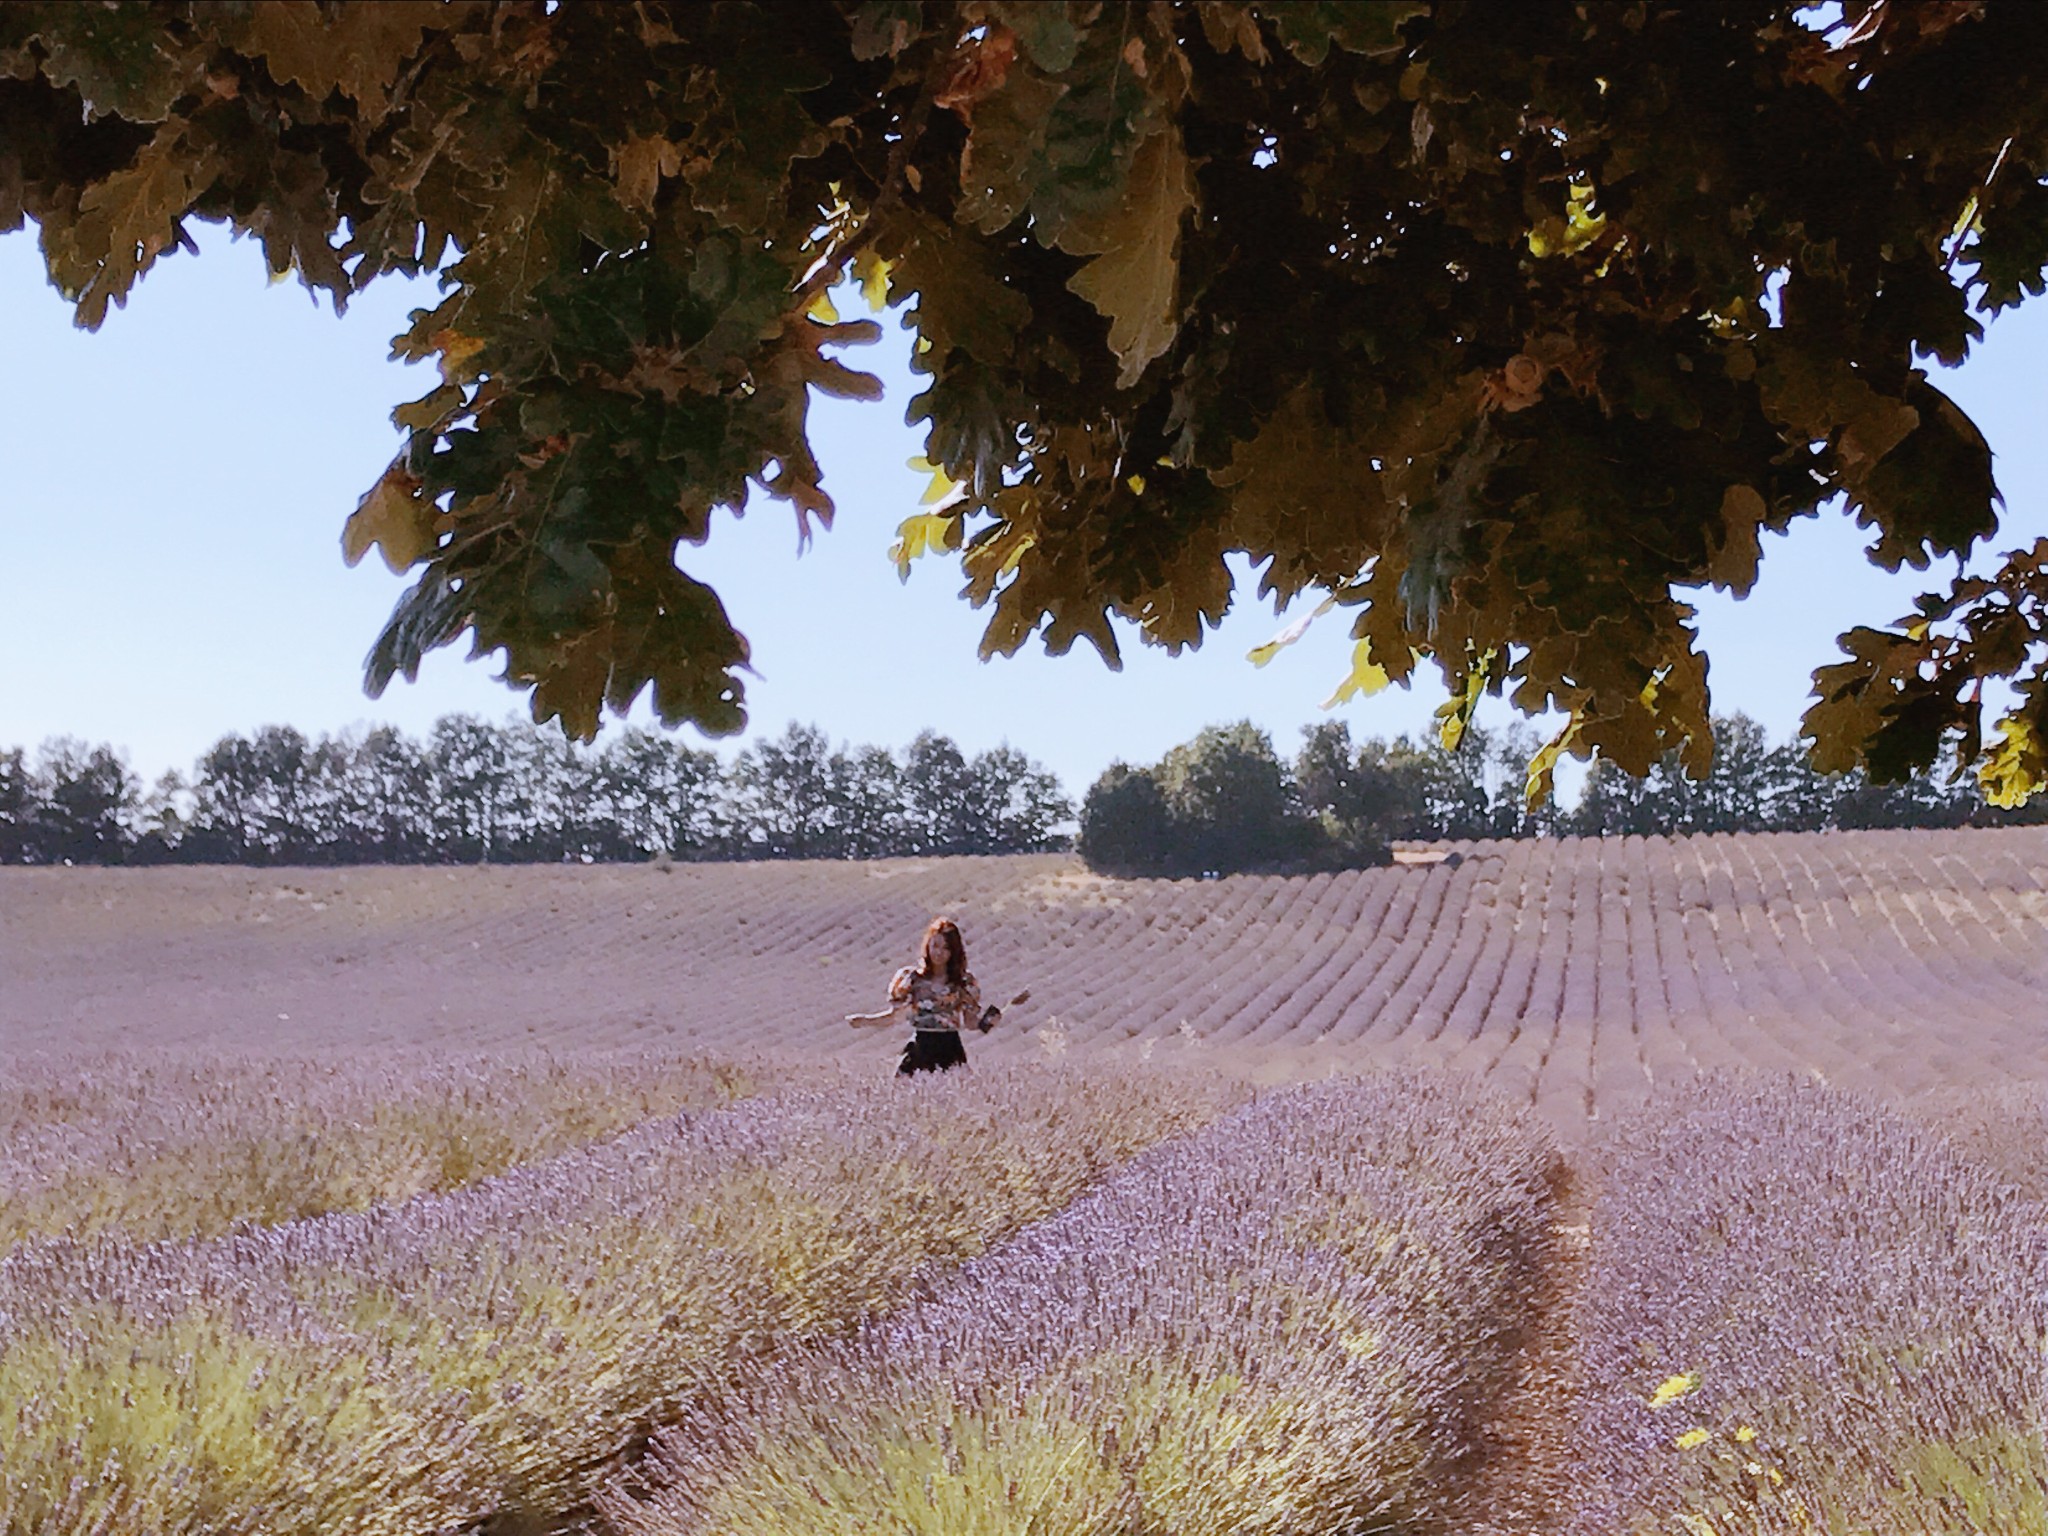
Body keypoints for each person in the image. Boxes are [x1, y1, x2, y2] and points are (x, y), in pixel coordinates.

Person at [846, 916, 1004, 1075]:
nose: (939, 952)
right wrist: (865, 1020)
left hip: (950, 1050)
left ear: (954, 951)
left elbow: (970, 1023)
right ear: (927, 945)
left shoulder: (963, 983)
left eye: (946, 948)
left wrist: (988, 1021)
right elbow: (895, 1017)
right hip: (920, 1048)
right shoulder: (912, 980)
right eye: (935, 945)